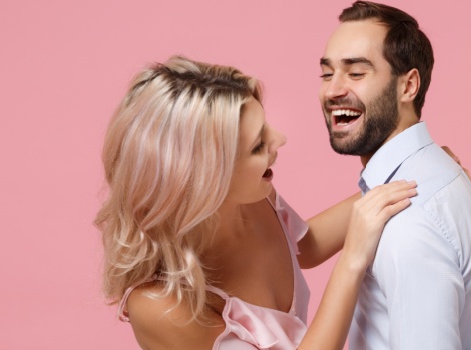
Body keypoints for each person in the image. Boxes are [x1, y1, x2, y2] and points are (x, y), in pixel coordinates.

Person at [95, 55, 418, 349]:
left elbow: (305, 249)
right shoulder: (159, 306)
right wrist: (352, 260)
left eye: (266, 127)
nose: (280, 140)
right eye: (257, 145)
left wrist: (410, 171)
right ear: (208, 181)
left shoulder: (250, 195)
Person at [318, 2, 471, 349]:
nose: (333, 89)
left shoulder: (406, 220)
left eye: (356, 73)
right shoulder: (439, 177)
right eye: (326, 74)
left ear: (408, 86)